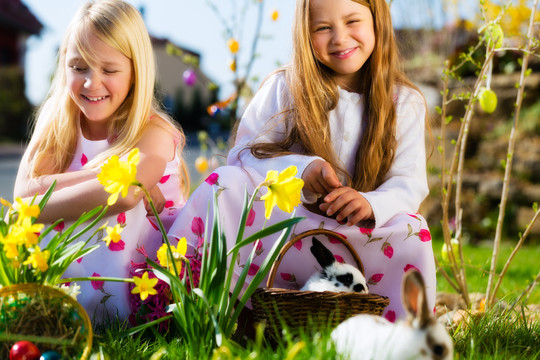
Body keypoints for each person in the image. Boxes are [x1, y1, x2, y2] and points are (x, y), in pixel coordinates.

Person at [169, 0, 435, 323]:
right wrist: (300, 171)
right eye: (323, 28)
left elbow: (409, 183)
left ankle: (397, 327)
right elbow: (243, 155)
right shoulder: (284, 87)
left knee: (413, 230)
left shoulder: (403, 102)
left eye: (353, 21)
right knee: (226, 184)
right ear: (304, 33)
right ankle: (194, 301)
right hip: (285, 233)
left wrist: (369, 204)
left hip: (358, 244)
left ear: (377, 20)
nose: (340, 38)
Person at [14, 0, 189, 324]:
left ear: (136, 72)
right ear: (63, 64)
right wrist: (105, 176)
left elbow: (124, 194)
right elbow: (23, 195)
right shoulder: (58, 121)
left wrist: (46, 195)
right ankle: (59, 308)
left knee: (117, 209)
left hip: (139, 284)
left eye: (109, 70)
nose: (92, 83)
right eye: (78, 67)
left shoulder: (153, 131)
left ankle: (99, 315)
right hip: (80, 275)